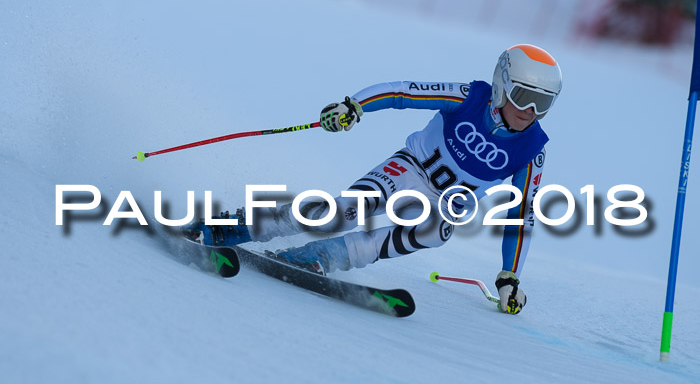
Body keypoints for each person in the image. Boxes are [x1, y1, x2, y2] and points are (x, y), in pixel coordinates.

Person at [184, 44, 562, 315]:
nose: (530, 111)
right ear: (501, 85)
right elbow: (403, 93)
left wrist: (509, 276)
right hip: (412, 169)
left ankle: (318, 257)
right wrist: (354, 106)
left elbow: (522, 214)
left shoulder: (532, 149)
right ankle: (231, 227)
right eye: (523, 96)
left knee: (437, 231)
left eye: (542, 103)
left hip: (442, 208)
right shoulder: (471, 97)